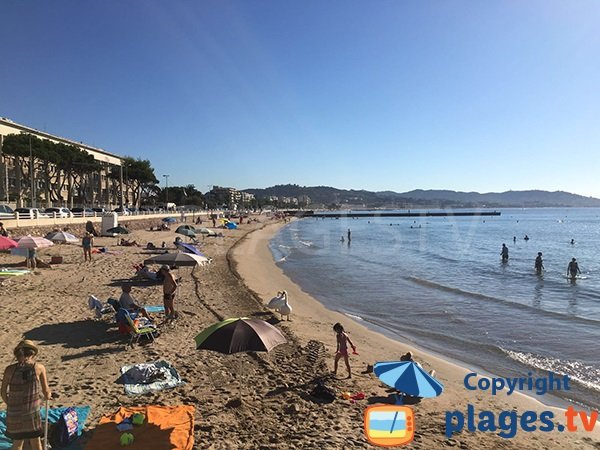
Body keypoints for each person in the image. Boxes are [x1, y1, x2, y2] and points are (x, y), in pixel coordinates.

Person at [1, 340, 51, 450]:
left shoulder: (9, 370)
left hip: (14, 413)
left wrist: (11, 405)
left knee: (17, 444)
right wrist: (44, 398)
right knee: (36, 443)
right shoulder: (39, 368)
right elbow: (46, 392)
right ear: (33, 354)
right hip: (31, 412)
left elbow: (3, 392)